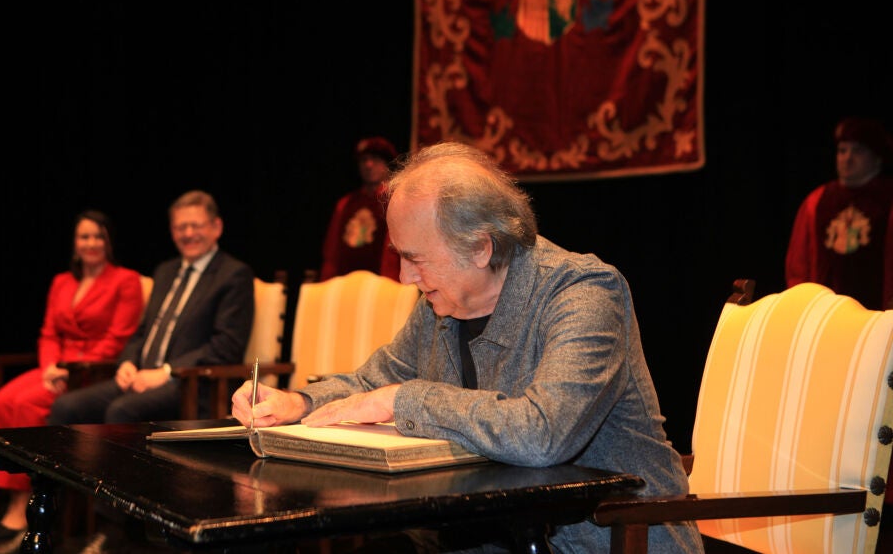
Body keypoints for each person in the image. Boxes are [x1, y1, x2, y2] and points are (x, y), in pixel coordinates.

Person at [232, 142, 703, 552]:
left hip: (602, 539)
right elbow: (375, 381)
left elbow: (543, 432)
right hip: (485, 531)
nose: (405, 278)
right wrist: (298, 402)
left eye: (415, 259)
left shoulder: (584, 293)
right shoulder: (441, 302)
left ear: (480, 247)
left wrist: (405, 399)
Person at [0, 210, 144, 541]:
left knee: (27, 405)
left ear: (109, 242)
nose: (91, 243)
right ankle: (16, 494)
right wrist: (49, 366)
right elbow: (48, 333)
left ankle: (26, 503)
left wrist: (71, 367)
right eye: (84, 236)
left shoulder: (126, 280)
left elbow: (118, 338)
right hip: (55, 368)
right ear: (75, 243)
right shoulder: (62, 281)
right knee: (2, 401)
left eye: (98, 236)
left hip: (92, 373)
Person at [49, 189, 254, 425]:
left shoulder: (233, 275)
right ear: (172, 231)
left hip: (192, 385)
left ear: (216, 227)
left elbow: (226, 346)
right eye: (181, 227)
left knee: (122, 410)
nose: (188, 233)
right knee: (66, 406)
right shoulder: (165, 271)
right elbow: (144, 331)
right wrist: (127, 362)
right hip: (141, 378)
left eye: (196, 226)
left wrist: (166, 372)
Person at [785, 116, 893, 311]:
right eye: (842, 151)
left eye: (858, 151)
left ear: (877, 158)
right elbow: (798, 266)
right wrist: (804, 307)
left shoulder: (888, 199)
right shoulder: (817, 201)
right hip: (825, 314)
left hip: (879, 315)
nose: (847, 158)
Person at [319, 136, 401, 281]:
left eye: (375, 159)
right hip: (345, 285)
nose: (368, 165)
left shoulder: (396, 201)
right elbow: (331, 252)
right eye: (364, 160)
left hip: (383, 285)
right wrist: (327, 282)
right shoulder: (345, 204)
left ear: (386, 164)